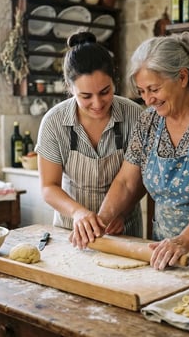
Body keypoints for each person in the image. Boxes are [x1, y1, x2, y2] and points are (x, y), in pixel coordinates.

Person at [70, 32, 189, 270]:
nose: (148, 100)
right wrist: (102, 222)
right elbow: (126, 181)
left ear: (182, 77)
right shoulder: (148, 122)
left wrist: (183, 241)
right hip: (165, 251)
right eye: (142, 91)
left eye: (153, 89)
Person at [35, 31, 143, 238]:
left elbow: (138, 181)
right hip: (71, 230)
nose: (97, 103)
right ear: (70, 87)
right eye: (85, 96)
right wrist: (78, 213)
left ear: (114, 81)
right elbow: (49, 187)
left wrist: (122, 211)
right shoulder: (54, 122)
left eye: (105, 92)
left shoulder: (135, 116)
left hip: (123, 230)